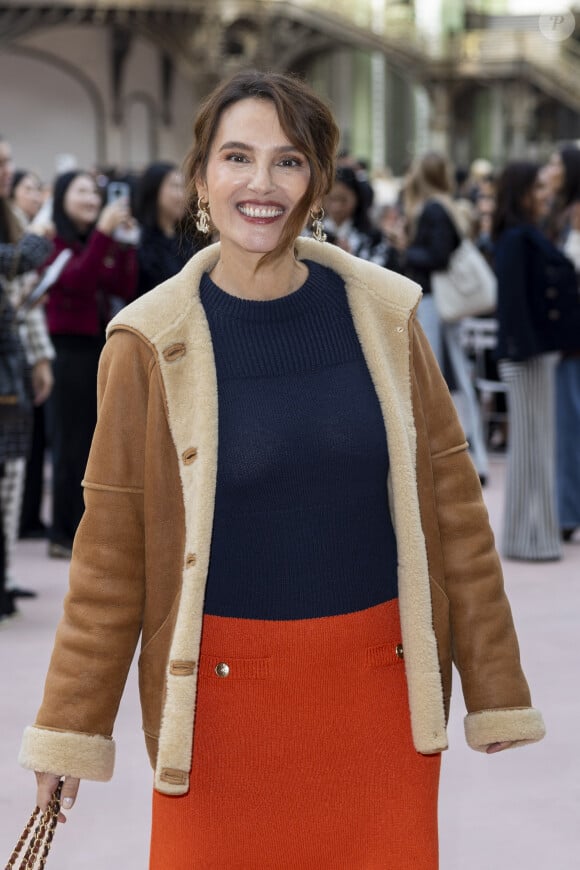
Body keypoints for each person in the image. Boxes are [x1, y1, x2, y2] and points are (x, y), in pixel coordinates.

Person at [20, 72, 544, 868]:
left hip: (380, 701)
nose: (261, 184)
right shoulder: (146, 342)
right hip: (217, 717)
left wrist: (497, 692)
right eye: (237, 157)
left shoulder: (388, 315)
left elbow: (455, 511)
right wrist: (70, 730)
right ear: (201, 178)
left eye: (288, 161)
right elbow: (110, 553)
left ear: (319, 183)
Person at [44, 170, 137, 558]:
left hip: (94, 349)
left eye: (95, 193)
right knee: (69, 443)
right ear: (63, 197)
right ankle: (61, 533)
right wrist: (102, 234)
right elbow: (78, 281)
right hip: (65, 351)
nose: (91, 198)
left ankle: (83, 527)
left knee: (91, 444)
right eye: (81, 191)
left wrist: (126, 244)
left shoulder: (93, 242)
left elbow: (122, 286)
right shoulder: (51, 241)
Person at [492, 161, 572, 561]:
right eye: (538, 186)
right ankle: (526, 538)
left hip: (533, 353)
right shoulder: (517, 239)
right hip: (527, 355)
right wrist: (524, 350)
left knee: (536, 445)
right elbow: (514, 305)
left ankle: (533, 536)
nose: (545, 193)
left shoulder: (524, 236)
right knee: (528, 448)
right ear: (521, 190)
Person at [401, 152, 489, 484]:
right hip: (441, 303)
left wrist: (406, 249)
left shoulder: (433, 210)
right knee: (453, 381)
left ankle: (457, 458)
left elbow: (436, 256)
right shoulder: (447, 206)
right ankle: (471, 457)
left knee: (436, 381)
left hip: (436, 303)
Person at [0, 136, 53, 620]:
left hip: (11, 363)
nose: (7, 172)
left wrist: (40, 357)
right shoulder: (21, 231)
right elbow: (16, 262)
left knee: (11, 473)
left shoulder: (9, 219)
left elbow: (22, 293)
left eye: (9, 162)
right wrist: (39, 234)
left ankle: (5, 572)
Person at [545, 145, 580, 543]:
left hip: (572, 337)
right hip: (567, 337)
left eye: (555, 164)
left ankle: (569, 510)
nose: (549, 170)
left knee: (569, 424)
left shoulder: (573, 212)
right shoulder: (559, 211)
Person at [134, 161, 200, 296]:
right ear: (154, 190)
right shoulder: (139, 240)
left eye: (183, 187)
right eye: (175, 186)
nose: (183, 195)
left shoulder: (187, 239)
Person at [323, 165, 400, 269]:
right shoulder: (311, 234)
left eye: (343, 200)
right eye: (331, 199)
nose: (336, 207)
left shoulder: (373, 238)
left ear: (357, 198)